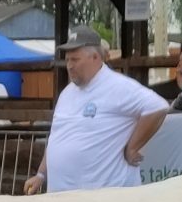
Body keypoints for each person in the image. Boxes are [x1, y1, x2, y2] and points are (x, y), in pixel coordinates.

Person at [24, 28, 170, 193]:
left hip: (104, 199)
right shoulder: (66, 93)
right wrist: (41, 175)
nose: (69, 66)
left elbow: (158, 107)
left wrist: (132, 147)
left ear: (95, 57)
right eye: (67, 60)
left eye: (75, 60)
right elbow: (56, 136)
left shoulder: (118, 86)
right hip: (61, 198)